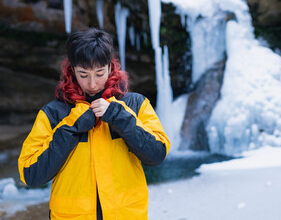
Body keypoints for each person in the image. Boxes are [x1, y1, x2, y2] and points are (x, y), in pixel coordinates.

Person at [18, 28, 170, 220]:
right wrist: (71, 127)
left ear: (110, 67)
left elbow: (157, 154)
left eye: (99, 73)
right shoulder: (54, 113)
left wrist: (118, 117)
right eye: (83, 74)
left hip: (126, 214)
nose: (92, 84)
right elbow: (31, 174)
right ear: (71, 70)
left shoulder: (135, 104)